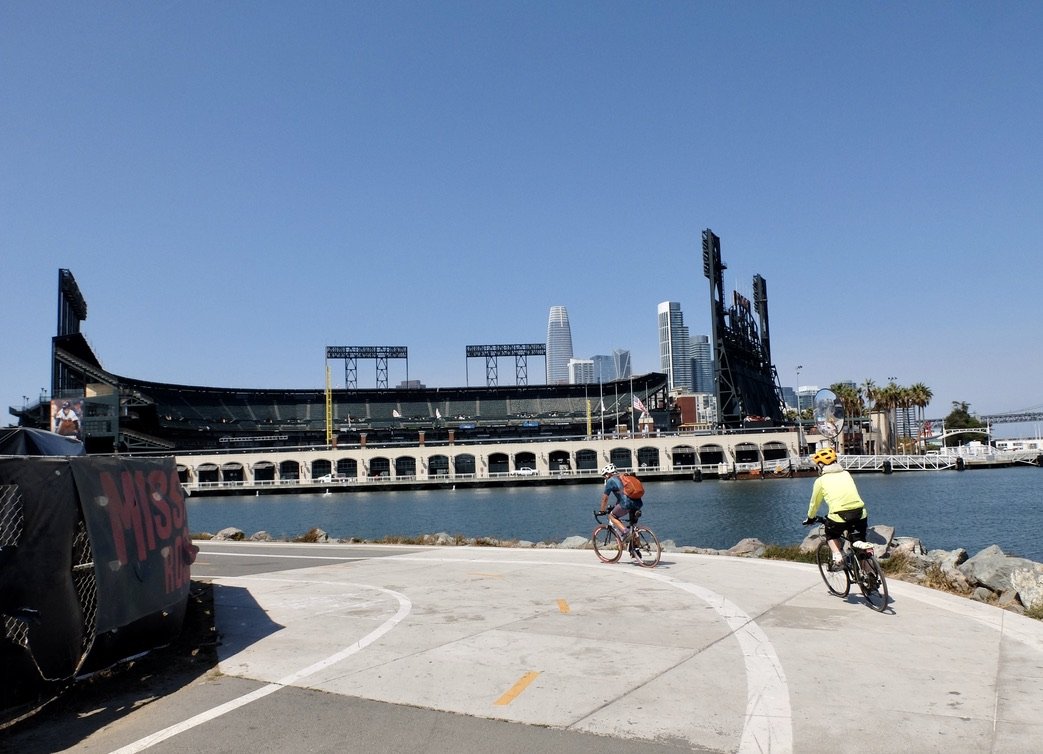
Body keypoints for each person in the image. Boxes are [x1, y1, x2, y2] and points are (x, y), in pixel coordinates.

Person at [802, 447, 868, 571]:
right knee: (860, 545)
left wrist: (810, 518)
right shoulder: (846, 473)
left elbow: (814, 504)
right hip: (860, 513)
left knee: (831, 534)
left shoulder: (820, 481)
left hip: (839, 516)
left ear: (821, 466)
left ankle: (838, 557)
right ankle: (870, 578)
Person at [598, 463, 644, 561]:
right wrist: (616, 506)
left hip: (626, 504)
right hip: (638, 503)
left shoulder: (611, 481)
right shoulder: (624, 477)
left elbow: (605, 498)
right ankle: (636, 548)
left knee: (612, 516)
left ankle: (625, 532)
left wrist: (602, 511)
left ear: (607, 474)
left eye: (605, 476)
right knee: (634, 527)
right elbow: (623, 495)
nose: (605, 478)